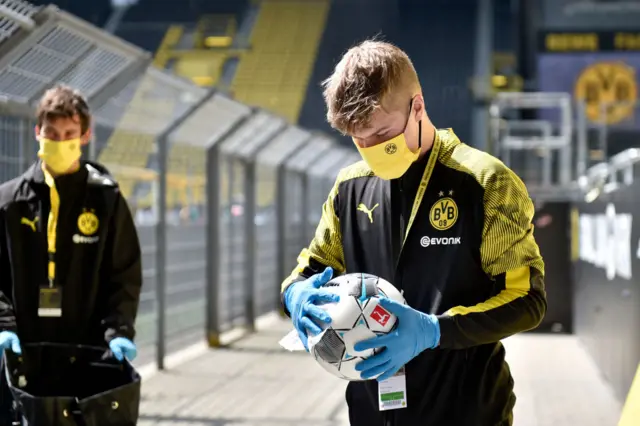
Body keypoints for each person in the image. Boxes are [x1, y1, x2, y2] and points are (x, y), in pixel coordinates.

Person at [280, 40, 546, 426]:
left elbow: (528, 300)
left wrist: (434, 331)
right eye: (359, 139)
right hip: (372, 413)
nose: (371, 149)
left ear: (417, 107)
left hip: (468, 413)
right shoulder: (348, 187)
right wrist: (295, 295)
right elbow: (308, 270)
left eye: (383, 135)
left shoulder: (486, 182)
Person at [0, 85, 142, 421]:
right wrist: (3, 324)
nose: (60, 141)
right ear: (38, 133)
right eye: (51, 133)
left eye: (69, 134)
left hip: (88, 354)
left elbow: (124, 273)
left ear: (84, 135)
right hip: (25, 354)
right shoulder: (9, 202)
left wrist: (118, 331)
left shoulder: (105, 199)